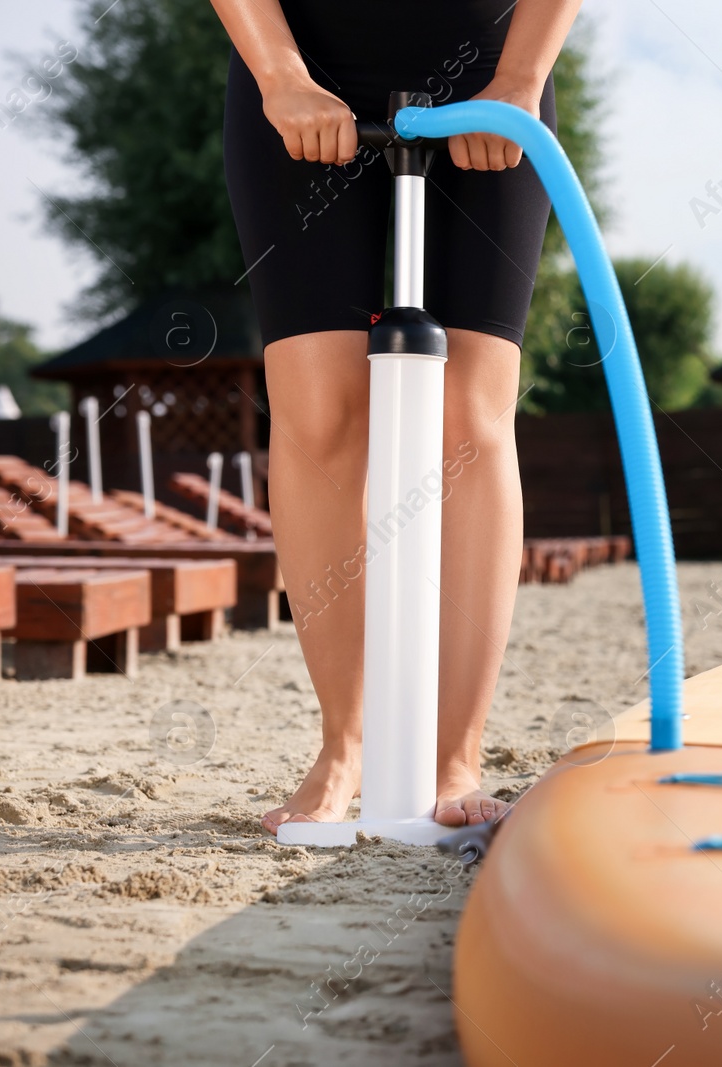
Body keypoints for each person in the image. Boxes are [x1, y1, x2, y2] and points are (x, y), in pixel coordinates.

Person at [209, 0, 581, 832]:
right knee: (319, 412)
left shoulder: (509, 75)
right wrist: (280, 75)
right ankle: (345, 746)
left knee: (469, 420)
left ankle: (455, 755)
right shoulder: (288, 76)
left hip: (493, 65)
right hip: (304, 65)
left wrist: (520, 78)